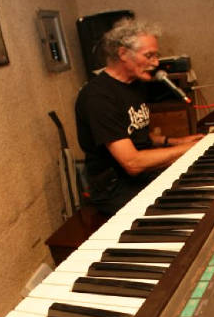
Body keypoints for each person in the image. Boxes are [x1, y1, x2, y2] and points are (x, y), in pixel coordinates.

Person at [75, 18, 202, 215]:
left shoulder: (135, 84)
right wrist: (188, 149)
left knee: (202, 186)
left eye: (156, 55)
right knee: (194, 209)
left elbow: (135, 132)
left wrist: (174, 142)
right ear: (123, 54)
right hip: (116, 189)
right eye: (149, 55)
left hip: (142, 175)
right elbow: (132, 163)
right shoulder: (98, 97)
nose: (156, 63)